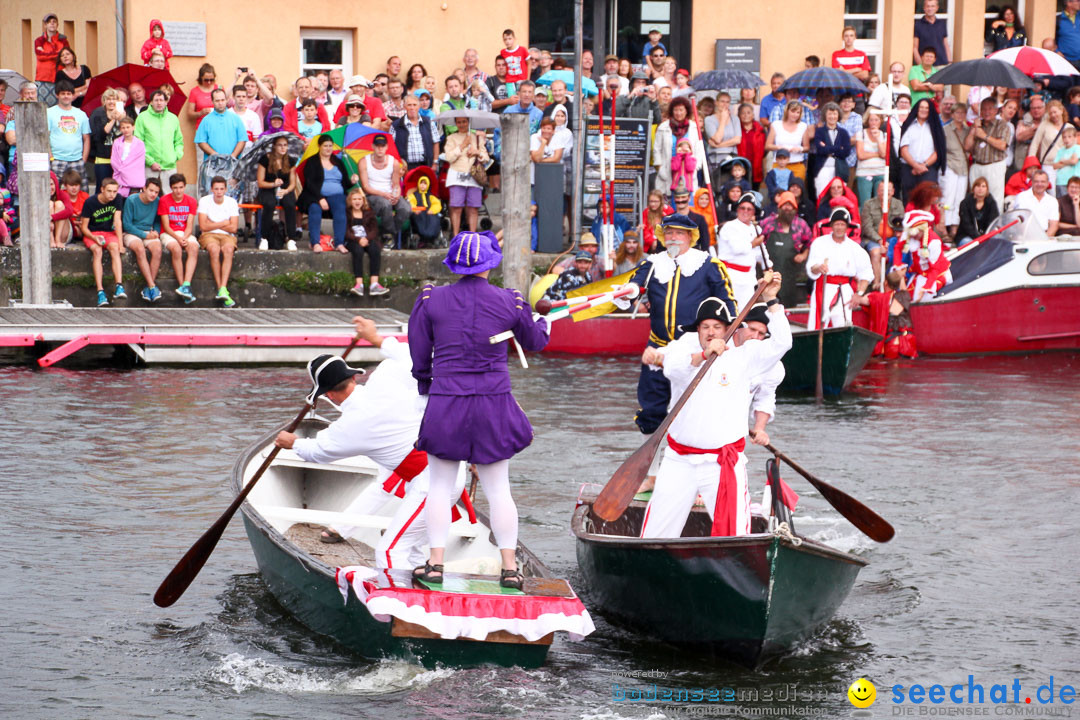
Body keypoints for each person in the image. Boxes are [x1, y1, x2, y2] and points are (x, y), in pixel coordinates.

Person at [408, 230, 550, 588]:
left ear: (454, 265)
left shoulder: (430, 299)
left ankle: (436, 564)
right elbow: (535, 342)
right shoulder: (511, 301)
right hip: (493, 401)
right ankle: (509, 568)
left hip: (447, 398)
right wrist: (545, 321)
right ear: (491, 266)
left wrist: (426, 382)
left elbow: (419, 350)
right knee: (499, 488)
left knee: (440, 486)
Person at [275, 317, 465, 567]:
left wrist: (293, 443)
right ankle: (418, 582)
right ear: (353, 378)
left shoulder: (350, 427)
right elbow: (413, 357)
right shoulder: (384, 378)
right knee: (411, 546)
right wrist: (376, 338)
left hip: (433, 483)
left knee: (388, 551)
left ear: (329, 395)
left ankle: (395, 603)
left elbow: (317, 453)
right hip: (448, 465)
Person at [637, 273, 791, 539]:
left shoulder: (746, 356)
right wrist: (702, 355)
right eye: (705, 326)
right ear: (697, 329)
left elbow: (783, 343)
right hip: (678, 460)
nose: (711, 332)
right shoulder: (681, 348)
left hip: (720, 464)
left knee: (735, 539)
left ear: (728, 330)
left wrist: (772, 301)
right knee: (654, 536)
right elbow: (672, 367)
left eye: (718, 327)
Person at [615, 214, 737, 434]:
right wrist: (630, 290)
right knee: (652, 412)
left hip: (693, 351)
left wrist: (728, 340)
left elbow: (729, 305)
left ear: (690, 237)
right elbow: (635, 284)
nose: (673, 238)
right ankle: (652, 465)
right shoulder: (652, 263)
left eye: (679, 233)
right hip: (658, 347)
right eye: (669, 233)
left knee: (693, 410)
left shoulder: (709, 264)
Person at [806, 208, 873, 329]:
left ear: (847, 227)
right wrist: (818, 267)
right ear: (831, 225)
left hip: (845, 290)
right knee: (817, 325)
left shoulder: (854, 248)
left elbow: (866, 273)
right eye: (836, 224)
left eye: (842, 224)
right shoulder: (819, 243)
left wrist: (859, 294)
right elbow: (812, 267)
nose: (839, 227)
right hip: (824, 287)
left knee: (843, 326)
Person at [301, 133, 359, 252]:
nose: (328, 148)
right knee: (314, 209)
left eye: (330, 146)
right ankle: (315, 243)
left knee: (340, 208)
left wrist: (352, 181)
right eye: (325, 146)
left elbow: (345, 183)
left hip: (337, 195)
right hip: (315, 195)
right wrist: (320, 198)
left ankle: (339, 243)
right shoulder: (312, 161)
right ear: (319, 146)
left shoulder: (338, 162)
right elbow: (309, 183)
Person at [715, 193, 768, 309]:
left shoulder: (756, 229)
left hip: (749, 277)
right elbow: (738, 248)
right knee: (732, 310)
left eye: (749, 209)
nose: (745, 211)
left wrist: (767, 267)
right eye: (742, 208)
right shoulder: (730, 227)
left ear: (754, 212)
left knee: (746, 311)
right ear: (737, 210)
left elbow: (761, 253)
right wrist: (754, 243)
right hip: (731, 275)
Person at [761, 191, 813, 307]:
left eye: (790, 205)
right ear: (779, 207)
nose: (787, 208)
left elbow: (810, 243)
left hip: (792, 277)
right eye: (785, 204)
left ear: (795, 208)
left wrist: (803, 255)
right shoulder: (767, 223)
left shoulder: (801, 225)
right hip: (770, 276)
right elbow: (757, 242)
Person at [80, 177, 126, 306]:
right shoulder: (90, 202)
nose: (112, 194)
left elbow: (117, 220)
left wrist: (121, 243)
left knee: (115, 248)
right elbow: (84, 227)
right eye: (109, 191)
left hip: (108, 233)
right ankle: (100, 291)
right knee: (97, 251)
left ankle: (119, 286)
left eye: (114, 191)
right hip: (92, 233)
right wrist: (94, 238)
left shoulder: (117, 199)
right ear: (102, 189)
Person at [194, 89, 246, 197]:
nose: (220, 103)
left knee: (231, 197)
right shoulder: (206, 120)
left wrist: (233, 156)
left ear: (226, 100)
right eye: (217, 100)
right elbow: (201, 141)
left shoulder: (235, 118)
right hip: (212, 165)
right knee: (212, 197)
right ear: (212, 102)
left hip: (232, 164)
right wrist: (214, 154)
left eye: (223, 100)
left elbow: (242, 139)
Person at [356, 135, 407, 245]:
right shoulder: (364, 162)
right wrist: (384, 194)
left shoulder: (394, 162)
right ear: (372, 146)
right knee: (385, 205)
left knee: (405, 208)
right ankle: (389, 235)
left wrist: (396, 194)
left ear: (387, 147)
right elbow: (366, 187)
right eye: (377, 146)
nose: (380, 149)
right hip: (372, 194)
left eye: (382, 146)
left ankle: (390, 233)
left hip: (389, 193)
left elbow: (396, 184)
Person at [197, 176, 240, 306]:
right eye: (216, 189)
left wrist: (212, 223)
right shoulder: (204, 201)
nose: (219, 192)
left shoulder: (232, 202)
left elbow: (234, 227)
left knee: (228, 249)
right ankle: (221, 287)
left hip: (227, 235)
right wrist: (222, 223)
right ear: (211, 189)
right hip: (209, 235)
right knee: (214, 250)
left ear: (226, 189)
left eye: (221, 189)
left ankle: (222, 288)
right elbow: (203, 226)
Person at [121, 177, 165, 302]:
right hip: (132, 232)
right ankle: (152, 285)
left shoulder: (157, 201)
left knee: (157, 249)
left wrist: (156, 231)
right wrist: (144, 235)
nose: (153, 194)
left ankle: (148, 287)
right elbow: (127, 224)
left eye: (156, 192)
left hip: (148, 231)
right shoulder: (132, 200)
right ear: (144, 188)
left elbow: (157, 221)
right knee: (139, 248)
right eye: (151, 190)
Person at [443, 118, 488, 237]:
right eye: (459, 122)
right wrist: (462, 146)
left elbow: (486, 157)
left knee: (473, 208)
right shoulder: (451, 138)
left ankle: (472, 235)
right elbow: (449, 158)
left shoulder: (477, 137)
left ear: (468, 122)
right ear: (456, 124)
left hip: (474, 176)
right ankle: (456, 235)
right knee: (457, 207)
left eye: (464, 122)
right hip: (457, 175)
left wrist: (477, 152)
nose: (462, 124)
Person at [158, 173, 199, 302]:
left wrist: (185, 237)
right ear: (171, 188)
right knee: (176, 249)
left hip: (184, 232)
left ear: (185, 187)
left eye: (181, 187)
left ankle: (187, 284)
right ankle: (182, 285)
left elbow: (190, 224)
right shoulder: (164, 200)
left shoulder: (191, 201)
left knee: (193, 247)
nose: (178, 191)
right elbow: (166, 225)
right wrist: (177, 238)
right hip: (169, 233)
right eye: (175, 188)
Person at [653, 97, 706, 197]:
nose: (678, 113)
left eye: (681, 110)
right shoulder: (663, 127)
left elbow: (699, 150)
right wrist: (660, 168)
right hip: (667, 171)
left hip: (688, 171)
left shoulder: (694, 128)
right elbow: (657, 150)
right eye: (676, 110)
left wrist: (696, 167)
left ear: (686, 111)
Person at [255, 135, 300, 251]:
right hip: (268, 187)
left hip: (284, 189)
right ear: (274, 146)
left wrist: (286, 191)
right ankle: (264, 237)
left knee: (290, 204)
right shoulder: (265, 159)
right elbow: (260, 182)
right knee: (269, 204)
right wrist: (273, 184)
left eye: (285, 145)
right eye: (280, 145)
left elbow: (292, 183)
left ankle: (291, 238)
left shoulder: (290, 161)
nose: (282, 148)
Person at [135, 90, 184, 190]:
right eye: (156, 100)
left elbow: (178, 141)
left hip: (169, 165)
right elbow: (138, 143)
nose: (159, 103)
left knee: (170, 195)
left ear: (166, 102)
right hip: (150, 166)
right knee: (149, 195)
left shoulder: (173, 118)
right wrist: (150, 162)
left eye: (161, 100)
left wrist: (175, 156)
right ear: (151, 102)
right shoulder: (142, 118)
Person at [898, 209, 951, 301]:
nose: (913, 236)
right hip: (920, 274)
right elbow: (897, 249)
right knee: (906, 297)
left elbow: (934, 269)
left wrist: (927, 287)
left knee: (924, 298)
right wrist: (900, 272)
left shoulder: (934, 242)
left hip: (936, 274)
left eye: (915, 233)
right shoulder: (910, 238)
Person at [898, 98, 946, 201]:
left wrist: (923, 166)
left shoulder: (935, 127)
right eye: (921, 107)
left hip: (928, 169)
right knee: (909, 200)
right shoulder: (909, 126)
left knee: (928, 200)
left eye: (926, 108)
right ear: (916, 109)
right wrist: (915, 166)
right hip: (909, 168)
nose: (924, 110)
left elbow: (938, 151)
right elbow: (903, 150)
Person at [342, 189, 387, 296]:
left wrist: (367, 239)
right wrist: (358, 240)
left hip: (367, 239)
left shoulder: (369, 212)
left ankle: (374, 284)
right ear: (350, 201)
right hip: (353, 240)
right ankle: (359, 284)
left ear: (363, 201)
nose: (357, 202)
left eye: (359, 199)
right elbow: (346, 231)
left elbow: (374, 229)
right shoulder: (346, 213)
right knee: (358, 251)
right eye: (354, 199)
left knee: (375, 250)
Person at [859, 181, 904, 287]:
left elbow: (901, 225)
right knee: (876, 253)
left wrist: (894, 240)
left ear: (893, 192)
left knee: (900, 251)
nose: (885, 193)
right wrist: (880, 240)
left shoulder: (898, 204)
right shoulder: (868, 204)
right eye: (882, 190)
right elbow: (867, 227)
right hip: (874, 239)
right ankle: (877, 283)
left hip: (892, 238)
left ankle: (896, 283)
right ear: (878, 191)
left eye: (888, 190)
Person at [48, 80, 91, 190]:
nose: (66, 96)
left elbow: (86, 139)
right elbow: (45, 138)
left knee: (81, 191)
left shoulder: (81, 114)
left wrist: (84, 159)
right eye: (63, 94)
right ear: (57, 95)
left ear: (73, 95)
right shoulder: (49, 113)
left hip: (77, 160)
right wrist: (51, 157)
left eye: (68, 94)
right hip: (57, 159)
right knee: (54, 192)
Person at [809, 102, 852, 194]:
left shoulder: (843, 133)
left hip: (840, 169)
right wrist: (838, 148)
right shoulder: (819, 132)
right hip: (822, 168)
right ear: (825, 115)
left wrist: (828, 148)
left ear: (838, 115)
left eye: (834, 114)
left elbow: (846, 151)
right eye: (830, 114)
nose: (832, 117)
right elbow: (820, 150)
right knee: (821, 194)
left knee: (839, 196)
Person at [765, 101, 810, 182]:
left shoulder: (803, 126)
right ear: (787, 111)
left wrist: (799, 149)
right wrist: (779, 147)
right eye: (793, 111)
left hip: (797, 164)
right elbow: (768, 146)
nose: (795, 114)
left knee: (796, 191)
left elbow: (807, 147)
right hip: (779, 164)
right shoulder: (776, 125)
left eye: (798, 112)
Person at [35, 13, 70, 102]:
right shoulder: (39, 40)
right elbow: (40, 56)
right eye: (49, 22)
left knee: (60, 106)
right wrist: (58, 53)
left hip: (60, 78)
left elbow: (66, 56)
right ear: (45, 25)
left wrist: (47, 53)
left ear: (57, 25)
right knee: (43, 108)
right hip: (43, 78)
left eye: (54, 22)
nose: (52, 23)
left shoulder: (63, 41)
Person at [956, 176, 1000, 245]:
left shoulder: (992, 203)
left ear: (987, 189)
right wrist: (978, 238)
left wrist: (985, 237)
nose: (980, 189)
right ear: (973, 188)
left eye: (983, 186)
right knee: (969, 244)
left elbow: (993, 222)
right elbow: (966, 225)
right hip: (967, 236)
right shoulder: (965, 203)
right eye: (978, 186)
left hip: (986, 236)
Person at [1014, 170, 1060, 235]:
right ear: (1031, 182)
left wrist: (1044, 240)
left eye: (1043, 182)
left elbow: (1054, 226)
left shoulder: (1052, 201)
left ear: (1047, 183)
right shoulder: (1022, 197)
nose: (1039, 184)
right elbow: (1019, 222)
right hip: (1025, 235)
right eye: (1036, 181)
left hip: (1045, 236)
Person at [110, 116, 146, 197]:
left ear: (133, 127)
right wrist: (121, 170)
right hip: (119, 181)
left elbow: (137, 163)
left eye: (128, 127)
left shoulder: (140, 144)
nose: (126, 130)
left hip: (134, 181)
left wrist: (123, 170)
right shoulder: (117, 142)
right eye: (123, 127)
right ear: (120, 129)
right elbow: (114, 161)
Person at [914, 0, 950, 65]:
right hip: (926, 65)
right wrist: (920, 65)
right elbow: (915, 47)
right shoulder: (918, 25)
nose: (930, 9)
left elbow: (946, 44)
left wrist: (949, 61)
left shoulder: (942, 24)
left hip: (942, 63)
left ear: (937, 8)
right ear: (924, 8)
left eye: (933, 6)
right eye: (928, 6)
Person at [1053, 125, 1080, 196]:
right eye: (1064, 137)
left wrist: (1063, 161)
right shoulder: (1060, 150)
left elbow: (1074, 161)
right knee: (1062, 202)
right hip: (1061, 181)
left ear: (1075, 137)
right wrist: (1069, 161)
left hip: (1074, 181)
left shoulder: (1077, 148)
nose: (1067, 139)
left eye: (1069, 137)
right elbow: (1055, 166)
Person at [1056, 0, 1080, 71]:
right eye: (1078, 1)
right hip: (1067, 61)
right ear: (1069, 3)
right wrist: (1056, 51)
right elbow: (1053, 38)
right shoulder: (1058, 20)